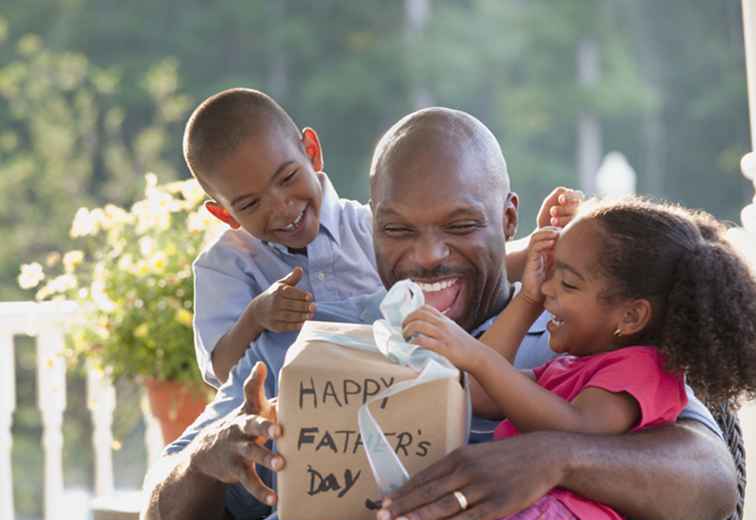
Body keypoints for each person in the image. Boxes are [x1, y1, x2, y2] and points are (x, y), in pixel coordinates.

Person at [137, 107, 737, 520]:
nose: (427, 257)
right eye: (397, 228)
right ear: (369, 222)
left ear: (507, 221)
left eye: (459, 226)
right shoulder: (304, 340)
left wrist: (553, 456)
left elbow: (710, 478)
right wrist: (208, 458)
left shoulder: (579, 342)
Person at [329, 198, 756, 520]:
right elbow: (481, 393)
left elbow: (576, 429)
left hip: (566, 518)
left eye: (567, 283)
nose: (550, 289)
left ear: (630, 317)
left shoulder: (643, 370)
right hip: (530, 506)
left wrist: (475, 354)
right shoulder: (573, 367)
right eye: (551, 276)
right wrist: (527, 299)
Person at [184, 88, 574, 389]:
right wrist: (256, 318)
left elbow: (471, 269)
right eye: (251, 204)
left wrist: (554, 243)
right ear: (224, 214)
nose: (282, 207)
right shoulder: (231, 268)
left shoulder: (364, 226)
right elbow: (221, 374)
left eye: (287, 179)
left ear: (313, 153)